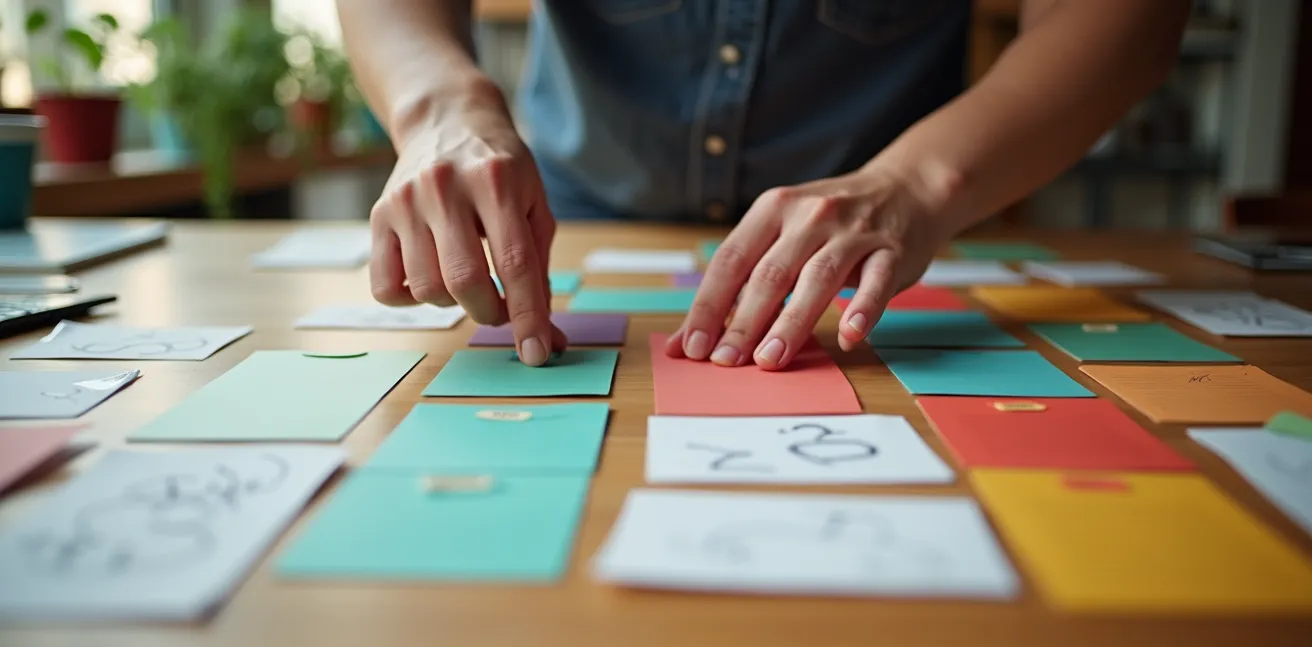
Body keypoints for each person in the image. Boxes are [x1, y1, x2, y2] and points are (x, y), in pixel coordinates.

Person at [339, 0, 1190, 369]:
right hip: (570, 220)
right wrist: (440, 107)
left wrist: (918, 182)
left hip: (887, 257)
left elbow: (1132, 22)